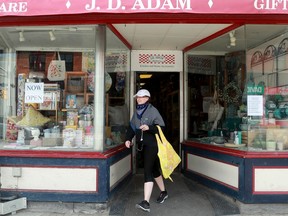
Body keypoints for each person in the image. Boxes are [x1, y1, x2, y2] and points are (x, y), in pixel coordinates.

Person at [125, 89, 168, 213]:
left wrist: (150, 127)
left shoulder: (153, 111)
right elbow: (132, 128)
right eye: (137, 97)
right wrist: (128, 139)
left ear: (147, 98)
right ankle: (164, 192)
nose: (139, 99)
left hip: (153, 145)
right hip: (143, 146)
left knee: (147, 170)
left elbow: (162, 127)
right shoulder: (136, 112)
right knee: (154, 169)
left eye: (142, 97)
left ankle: (145, 202)